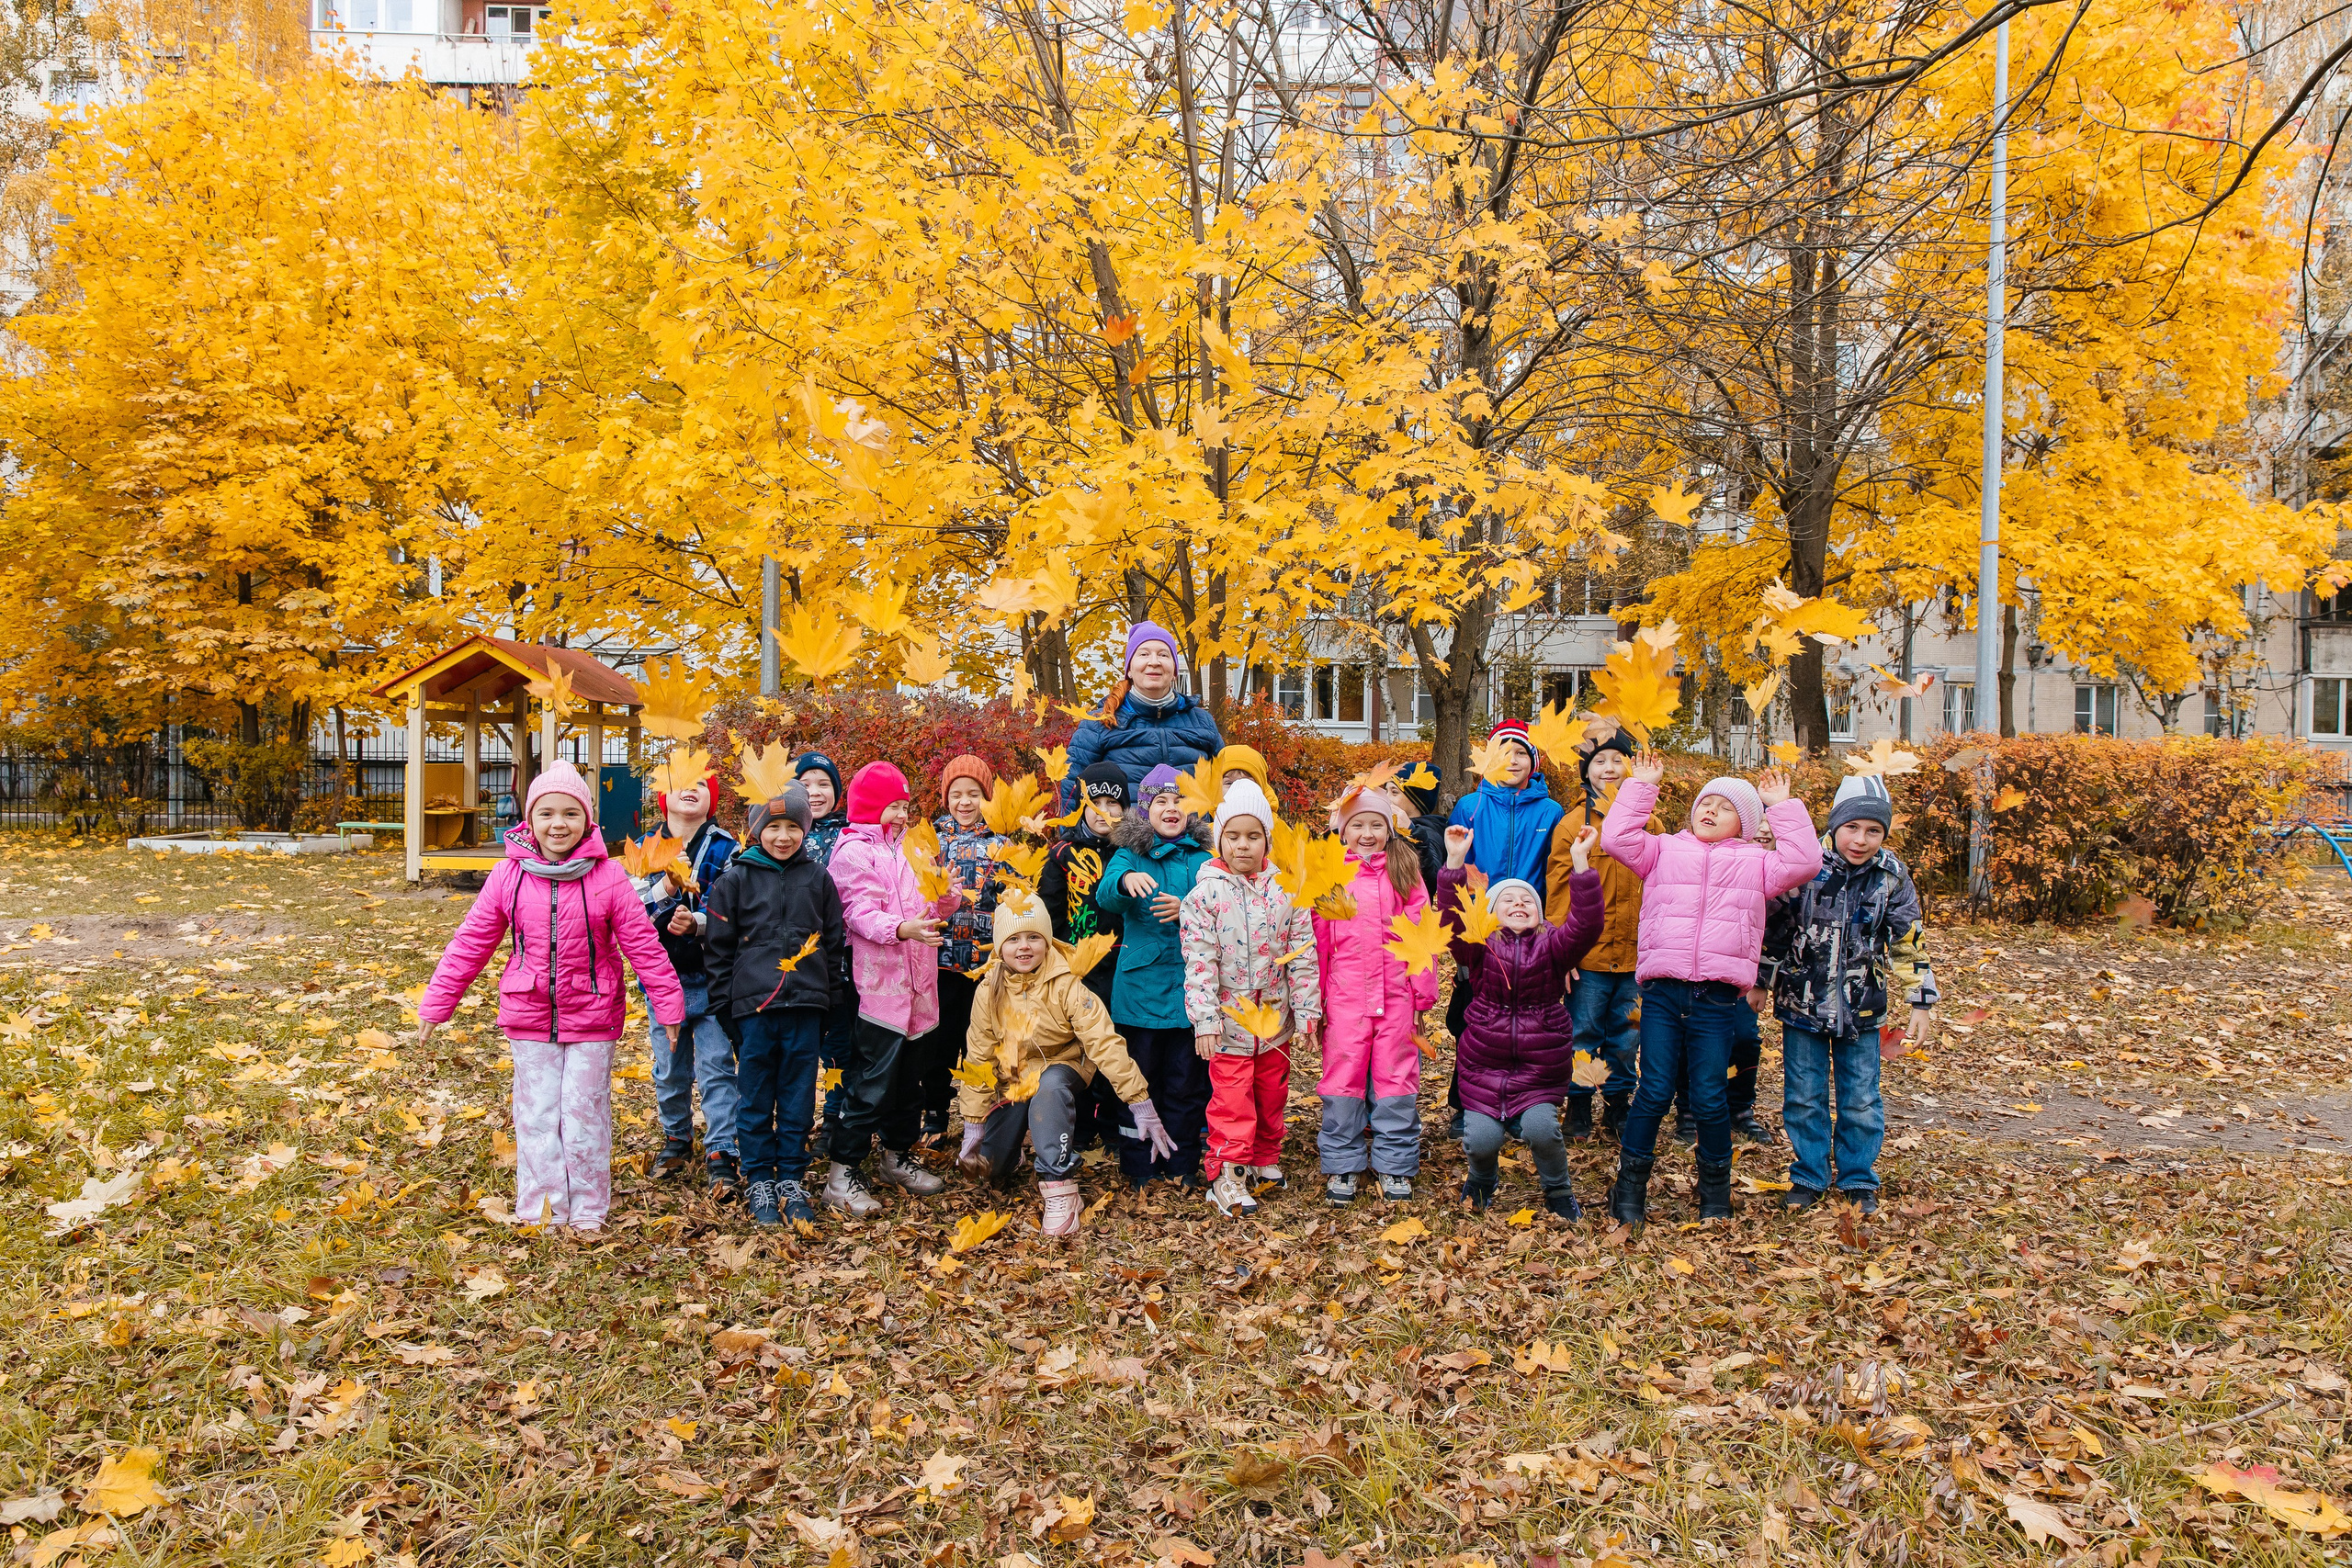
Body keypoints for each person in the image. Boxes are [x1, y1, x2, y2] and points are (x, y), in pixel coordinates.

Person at [416, 761, 685, 1235]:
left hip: (593, 1015)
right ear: (530, 820)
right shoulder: (508, 876)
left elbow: (644, 945)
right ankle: (543, 1208)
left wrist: (668, 1005)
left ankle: (587, 1208)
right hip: (528, 1012)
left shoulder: (609, 877)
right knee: (537, 1113)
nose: (558, 824)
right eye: (546, 814)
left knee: (584, 1113)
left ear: (587, 819)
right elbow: (472, 941)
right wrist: (438, 1002)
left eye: (570, 813)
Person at [1600, 755, 1821, 1227]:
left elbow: (1805, 861)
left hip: (1716, 998)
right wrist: (1642, 787)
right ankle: (1630, 1188)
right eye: (1706, 803)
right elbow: (1616, 837)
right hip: (1663, 993)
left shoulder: (1757, 863)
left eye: (1725, 808)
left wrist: (1782, 807)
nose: (1711, 811)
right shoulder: (1662, 850)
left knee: (1708, 1096)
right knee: (1654, 1090)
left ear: (1744, 824)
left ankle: (1715, 1193)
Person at [1753, 774, 1938, 1214]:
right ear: (1835, 824)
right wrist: (1761, 979)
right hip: (1802, 1002)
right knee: (1803, 1095)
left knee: (1861, 1099)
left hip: (1863, 1007)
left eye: (1873, 831)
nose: (1860, 840)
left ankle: (1858, 1178)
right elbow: (1775, 927)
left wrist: (1921, 1001)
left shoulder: (1891, 876)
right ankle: (1809, 1175)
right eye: (1852, 827)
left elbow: (1908, 941)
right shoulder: (1805, 864)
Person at [954, 893, 1179, 1237]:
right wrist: (973, 1123)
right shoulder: (988, 990)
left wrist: (1139, 1101)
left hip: (1061, 1063)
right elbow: (979, 1056)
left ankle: (1060, 1188)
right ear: (999, 947)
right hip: (1012, 1074)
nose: (1024, 946)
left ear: (1047, 941)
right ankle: (1011, 1152)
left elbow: (1104, 1042)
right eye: (1013, 939)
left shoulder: (1068, 983)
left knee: (1049, 1088)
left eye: (1033, 937)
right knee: (991, 1169)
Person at [1435, 822, 1604, 1216]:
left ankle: (1558, 1189)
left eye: (1527, 900)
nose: (1519, 903)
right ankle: (1482, 1178)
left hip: (1539, 1067)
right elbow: (1451, 922)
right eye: (1507, 899)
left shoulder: (1553, 946)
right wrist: (1454, 863)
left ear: (1539, 914)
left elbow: (1587, 925)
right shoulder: (1479, 946)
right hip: (1484, 1065)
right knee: (1481, 1139)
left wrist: (1581, 866)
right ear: (1490, 915)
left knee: (1542, 1131)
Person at [703, 786, 849, 1229]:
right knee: (755, 1097)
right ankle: (759, 1178)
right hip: (754, 1011)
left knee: (798, 1098)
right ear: (757, 830)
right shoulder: (734, 881)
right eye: (773, 827)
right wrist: (727, 1010)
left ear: (805, 830)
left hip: (807, 1007)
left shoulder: (818, 879)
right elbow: (719, 952)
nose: (783, 837)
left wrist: (831, 1004)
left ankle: (790, 1177)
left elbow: (834, 945)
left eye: (792, 827)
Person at [820, 761, 960, 1216]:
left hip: (922, 987)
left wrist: (947, 895)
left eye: (905, 806)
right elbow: (857, 911)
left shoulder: (913, 849)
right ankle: (842, 1172)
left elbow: (932, 907)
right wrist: (901, 928)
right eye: (893, 807)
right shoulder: (852, 852)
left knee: (910, 1081)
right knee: (871, 1082)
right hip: (879, 988)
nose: (902, 815)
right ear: (869, 807)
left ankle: (896, 1156)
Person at [1180, 778, 1320, 1218]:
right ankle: (1228, 1172)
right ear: (1220, 839)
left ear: (1267, 841)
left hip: (1275, 1020)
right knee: (1233, 1100)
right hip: (1229, 1022)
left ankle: (1264, 1156)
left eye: (1254, 836)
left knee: (1272, 1093)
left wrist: (1307, 1011)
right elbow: (1199, 962)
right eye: (1234, 836)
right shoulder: (1204, 896)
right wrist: (1205, 1020)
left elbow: (1303, 954)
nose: (1243, 845)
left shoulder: (1287, 892)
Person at [1312, 784, 1439, 1203]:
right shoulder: (1333, 876)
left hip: (1397, 996)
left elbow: (1421, 936)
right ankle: (1342, 1164)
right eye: (1358, 825)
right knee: (1343, 1079)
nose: (1367, 834)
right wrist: (1316, 1002)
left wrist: (1422, 996)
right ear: (1343, 831)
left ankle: (1395, 1165)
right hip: (1346, 997)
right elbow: (1321, 943)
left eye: (1376, 825)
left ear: (1389, 829)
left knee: (1396, 1078)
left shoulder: (1404, 872)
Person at [1440, 719, 1566, 1138]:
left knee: (1527, 1022)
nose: (1512, 760)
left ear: (1534, 762)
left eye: (1521, 753)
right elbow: (1458, 863)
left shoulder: (1550, 812)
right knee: (1474, 1017)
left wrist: (1550, 928)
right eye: (1503, 752)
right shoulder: (1470, 805)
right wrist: (1464, 923)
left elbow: (1555, 873)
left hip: (1531, 927)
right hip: (1482, 929)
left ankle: (1521, 1104)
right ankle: (1467, 1103)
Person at [1095, 764, 1215, 1191]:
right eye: (1161, 801)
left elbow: (1220, 908)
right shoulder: (1129, 853)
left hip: (1190, 990)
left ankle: (1181, 1162)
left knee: (1185, 1083)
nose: (1170, 808)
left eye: (1179, 800)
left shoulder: (1204, 860)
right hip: (1140, 991)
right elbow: (1105, 893)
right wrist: (1125, 879)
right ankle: (1139, 1165)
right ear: (1146, 810)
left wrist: (1188, 910)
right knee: (1139, 1082)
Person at [629, 771, 743, 1194]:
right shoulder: (644, 847)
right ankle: (677, 1135)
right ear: (665, 797)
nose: (691, 789)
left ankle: (722, 1148)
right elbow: (630, 906)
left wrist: (697, 922)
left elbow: (734, 905)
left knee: (717, 1066)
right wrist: (664, 889)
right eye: (682, 782)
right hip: (663, 981)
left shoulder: (727, 848)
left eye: (701, 784)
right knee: (670, 1069)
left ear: (711, 799)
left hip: (713, 979)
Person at [1544, 729, 1648, 1141]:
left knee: (1627, 1034)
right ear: (1586, 771)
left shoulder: (1650, 821)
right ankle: (1580, 1103)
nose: (1609, 768)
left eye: (1618, 760)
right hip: (1589, 956)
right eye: (1600, 761)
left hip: (1636, 954)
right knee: (1583, 1031)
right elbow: (1557, 890)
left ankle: (1618, 1104)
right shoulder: (1573, 824)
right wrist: (1562, 951)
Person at [1041, 761, 1130, 1154]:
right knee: (1077, 1044)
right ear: (1080, 805)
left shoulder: (1130, 854)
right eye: (1095, 803)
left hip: (1120, 965)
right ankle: (1077, 1126)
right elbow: (1051, 911)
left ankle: (1111, 1123)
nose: (1104, 812)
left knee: (1115, 1042)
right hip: (1076, 965)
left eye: (1114, 804)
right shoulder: (1062, 854)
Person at [916, 754, 1004, 1144]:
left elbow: (1011, 898)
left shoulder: (1000, 842)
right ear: (945, 798)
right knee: (939, 1042)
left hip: (983, 962)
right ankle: (935, 1114)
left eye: (974, 793)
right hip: (940, 960)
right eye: (956, 794)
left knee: (981, 1043)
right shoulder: (932, 841)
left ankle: (980, 1115)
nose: (965, 802)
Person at [1061, 622, 1223, 807]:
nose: (1154, 662)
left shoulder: (1202, 722)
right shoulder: (1098, 724)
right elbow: (1071, 792)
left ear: (1175, 671)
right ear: (1129, 670)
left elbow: (1227, 785)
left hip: (1193, 826)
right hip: (1123, 826)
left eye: (1163, 654)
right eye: (1144, 654)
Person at [794, 750, 856, 1130]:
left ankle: (835, 1118)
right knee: (802, 1046)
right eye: (805, 785)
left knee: (838, 1045)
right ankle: (796, 1121)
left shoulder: (850, 834)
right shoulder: (785, 833)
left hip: (841, 960)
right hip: (796, 961)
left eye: (823, 784)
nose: (815, 793)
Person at [1398, 769, 1448, 893]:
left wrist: (1412, 832)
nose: (1387, 797)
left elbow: (1431, 877)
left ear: (1415, 800)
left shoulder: (1429, 832)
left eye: (1394, 792)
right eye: (1386, 791)